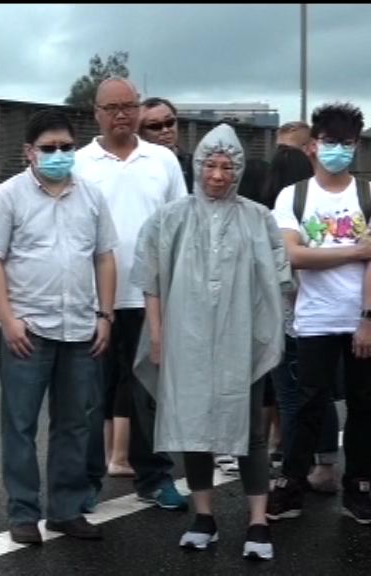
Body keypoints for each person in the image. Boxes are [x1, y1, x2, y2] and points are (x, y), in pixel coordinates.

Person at [132, 123, 291, 561]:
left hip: (243, 337)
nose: (218, 175)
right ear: (197, 165)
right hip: (186, 338)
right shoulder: (170, 218)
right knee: (193, 430)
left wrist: (267, 333)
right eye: (210, 165)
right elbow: (151, 280)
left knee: (251, 431)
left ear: (237, 170)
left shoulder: (258, 218)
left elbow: (276, 279)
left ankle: (257, 521)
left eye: (227, 166)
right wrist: (159, 335)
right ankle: (204, 517)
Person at [0, 109, 117, 544]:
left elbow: (104, 256)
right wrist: (8, 320)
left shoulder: (91, 197)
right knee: (19, 425)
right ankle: (23, 513)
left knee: (75, 423)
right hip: (29, 330)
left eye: (66, 147)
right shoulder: (9, 196)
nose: (58, 155)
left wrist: (105, 315)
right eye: (49, 148)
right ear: (29, 152)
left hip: (79, 328)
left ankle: (66, 510)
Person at [75, 78, 189, 513]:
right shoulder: (80, 162)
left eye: (130, 106)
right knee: (90, 399)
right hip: (94, 302)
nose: (122, 114)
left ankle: (154, 477)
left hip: (151, 301)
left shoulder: (161, 160)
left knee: (149, 396)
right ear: (97, 113)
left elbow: (182, 226)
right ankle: (85, 481)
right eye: (113, 107)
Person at [267, 102, 371, 525]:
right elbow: (292, 256)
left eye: (346, 143)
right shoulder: (294, 196)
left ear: (356, 146)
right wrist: (357, 250)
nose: (337, 150)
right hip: (313, 318)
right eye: (329, 142)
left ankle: (359, 485)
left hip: (359, 318)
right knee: (307, 405)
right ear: (312, 146)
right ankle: (292, 484)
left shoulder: (366, 195)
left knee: (364, 407)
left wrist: (367, 317)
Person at [260, 143, 341, 489]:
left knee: (293, 398)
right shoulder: (313, 208)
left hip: (286, 317)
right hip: (320, 313)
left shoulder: (272, 214)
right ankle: (324, 463)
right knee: (317, 393)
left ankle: (295, 469)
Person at [139, 97, 193, 194]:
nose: (165, 130)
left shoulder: (194, 165)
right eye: (155, 126)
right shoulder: (136, 167)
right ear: (140, 132)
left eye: (170, 123)